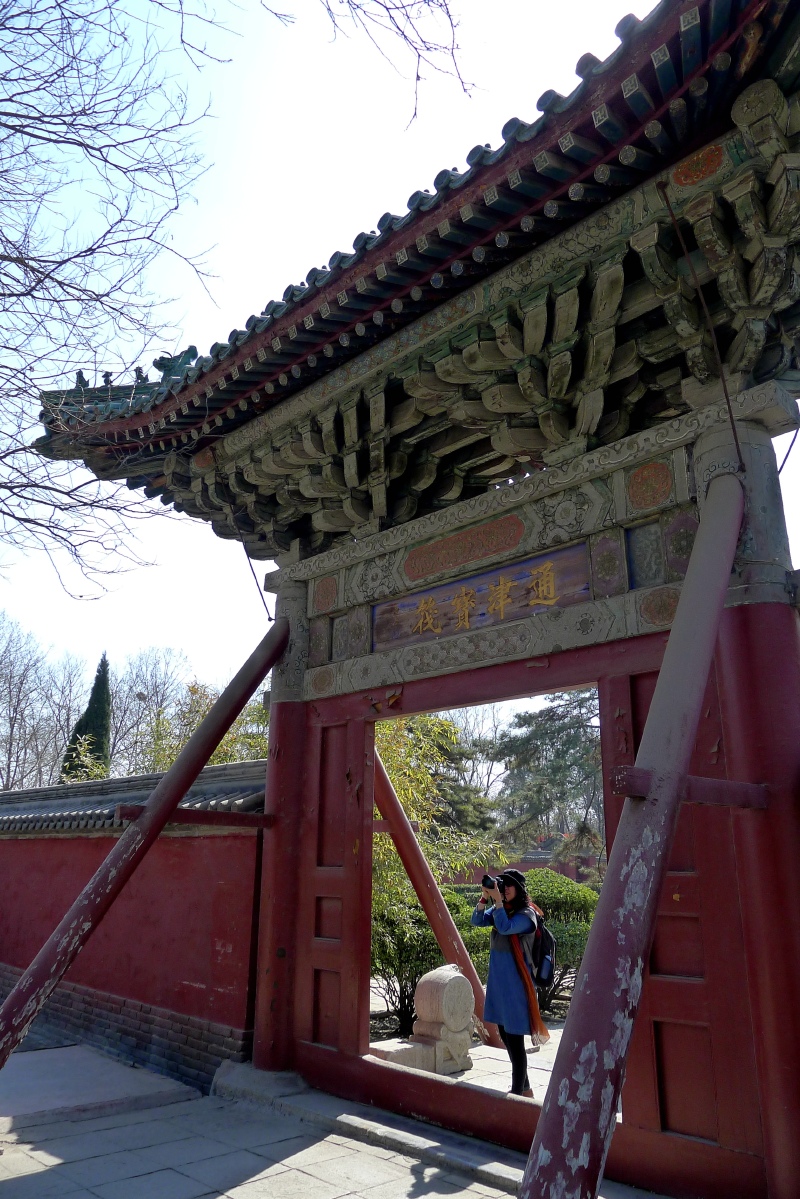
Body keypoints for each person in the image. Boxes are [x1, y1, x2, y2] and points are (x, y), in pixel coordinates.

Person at [471, 868, 550, 1097]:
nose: (504, 889)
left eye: (509, 885)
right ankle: (525, 1089)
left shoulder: (527, 915)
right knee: (505, 1035)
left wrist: (496, 904)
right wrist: (485, 897)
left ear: (520, 889)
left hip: (517, 985)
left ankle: (517, 1094)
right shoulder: (502, 910)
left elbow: (505, 928)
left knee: (515, 1041)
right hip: (499, 983)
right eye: (501, 884)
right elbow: (476, 920)